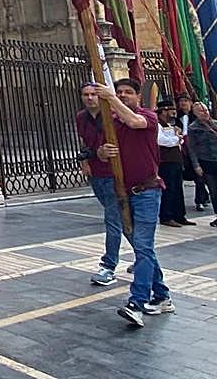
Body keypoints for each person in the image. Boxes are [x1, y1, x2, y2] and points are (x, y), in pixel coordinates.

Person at [96, 79, 174, 327]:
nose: (123, 96)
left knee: (142, 246)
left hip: (148, 191)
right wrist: (102, 153)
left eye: (128, 93)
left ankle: (136, 303)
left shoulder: (147, 117)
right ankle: (162, 296)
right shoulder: (113, 123)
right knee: (144, 249)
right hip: (125, 191)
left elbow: (134, 122)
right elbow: (100, 150)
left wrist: (110, 98)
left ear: (138, 96)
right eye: (119, 92)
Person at [75, 82, 126, 285]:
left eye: (93, 94)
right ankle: (144, 257)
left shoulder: (114, 116)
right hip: (96, 174)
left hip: (114, 175)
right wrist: (85, 161)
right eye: (85, 94)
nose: (89, 98)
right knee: (121, 220)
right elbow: (84, 142)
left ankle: (109, 266)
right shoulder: (81, 118)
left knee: (113, 220)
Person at [156, 97, 193, 227]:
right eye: (170, 110)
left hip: (176, 161)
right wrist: (176, 139)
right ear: (163, 111)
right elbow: (161, 140)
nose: (174, 113)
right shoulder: (158, 125)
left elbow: (180, 141)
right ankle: (167, 216)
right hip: (166, 162)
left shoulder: (172, 125)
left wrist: (177, 138)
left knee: (178, 189)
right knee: (169, 189)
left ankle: (179, 215)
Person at [186, 100, 217, 227]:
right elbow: (192, 148)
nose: (204, 112)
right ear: (195, 113)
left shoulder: (215, 124)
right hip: (207, 161)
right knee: (214, 191)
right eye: (201, 111)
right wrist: (196, 165)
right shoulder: (193, 128)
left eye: (205, 110)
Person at [178, 94, 210, 211]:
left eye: (186, 100)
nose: (183, 103)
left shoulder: (196, 118)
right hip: (182, 149)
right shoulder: (177, 116)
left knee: (199, 177)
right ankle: (204, 196)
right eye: (181, 101)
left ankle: (200, 200)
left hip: (196, 148)